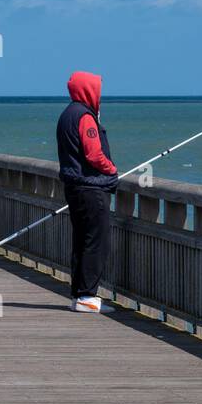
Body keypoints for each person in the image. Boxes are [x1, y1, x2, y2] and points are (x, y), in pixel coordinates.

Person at [56, 71, 119, 313]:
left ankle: (79, 295)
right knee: (96, 241)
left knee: (82, 240)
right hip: (90, 188)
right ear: (89, 90)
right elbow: (93, 154)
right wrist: (112, 169)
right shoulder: (84, 117)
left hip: (74, 187)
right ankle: (87, 296)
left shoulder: (66, 115)